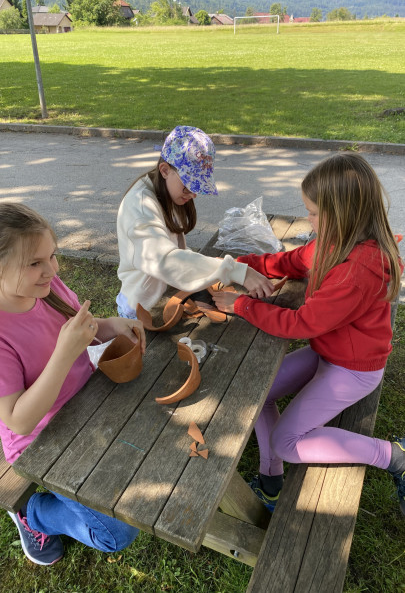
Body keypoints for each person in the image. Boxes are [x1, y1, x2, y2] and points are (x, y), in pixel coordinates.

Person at [212, 152, 405, 515]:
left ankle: (393, 456)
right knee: (257, 394)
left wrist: (239, 305)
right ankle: (271, 482)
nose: (308, 218)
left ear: (342, 212)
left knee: (288, 442)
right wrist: (243, 266)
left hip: (353, 370)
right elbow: (292, 261)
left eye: (313, 212)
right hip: (327, 352)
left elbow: (301, 323)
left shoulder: (358, 270)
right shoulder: (332, 241)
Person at [0, 202, 146, 565]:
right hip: (44, 440)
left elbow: (75, 326)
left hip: (88, 401)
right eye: (35, 263)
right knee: (117, 533)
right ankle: (33, 514)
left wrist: (109, 325)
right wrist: (65, 353)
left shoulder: (45, 287)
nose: (52, 270)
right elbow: (18, 420)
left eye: (52, 256)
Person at [116, 125, 276, 318]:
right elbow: (165, 260)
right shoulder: (141, 208)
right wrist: (238, 271)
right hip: (142, 308)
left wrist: (211, 267)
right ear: (165, 170)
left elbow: (174, 251)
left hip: (163, 297)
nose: (193, 194)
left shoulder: (164, 191)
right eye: (188, 186)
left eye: (197, 187)